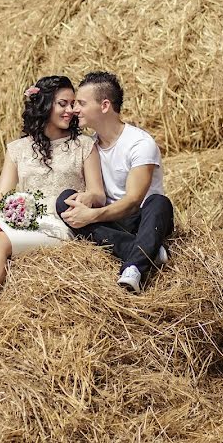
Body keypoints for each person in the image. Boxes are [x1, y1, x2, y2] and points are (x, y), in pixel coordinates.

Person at [0, 75, 105, 345]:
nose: (70, 110)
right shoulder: (18, 149)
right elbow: (2, 194)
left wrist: (86, 198)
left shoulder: (84, 146)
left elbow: (98, 193)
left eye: (73, 104)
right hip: (27, 217)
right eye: (63, 103)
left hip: (60, 222)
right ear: (44, 105)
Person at [57, 71, 174, 293]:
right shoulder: (89, 146)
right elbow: (94, 192)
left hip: (144, 220)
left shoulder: (139, 143)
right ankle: (146, 251)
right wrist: (88, 198)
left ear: (104, 106)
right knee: (65, 200)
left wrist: (92, 216)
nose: (74, 110)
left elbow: (132, 201)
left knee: (160, 202)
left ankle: (132, 268)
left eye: (81, 103)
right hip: (113, 223)